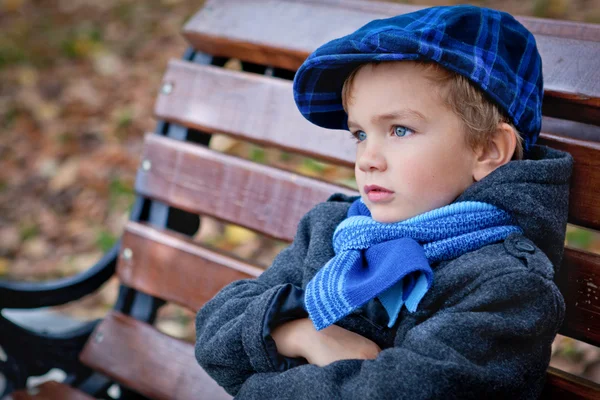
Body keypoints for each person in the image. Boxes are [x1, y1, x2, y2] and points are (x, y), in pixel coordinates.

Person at [194, 5, 573, 399]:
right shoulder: (335, 232)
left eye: (399, 129)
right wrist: (302, 333)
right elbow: (216, 329)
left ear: (488, 150)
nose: (367, 158)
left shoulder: (506, 285)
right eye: (360, 134)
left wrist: (255, 384)